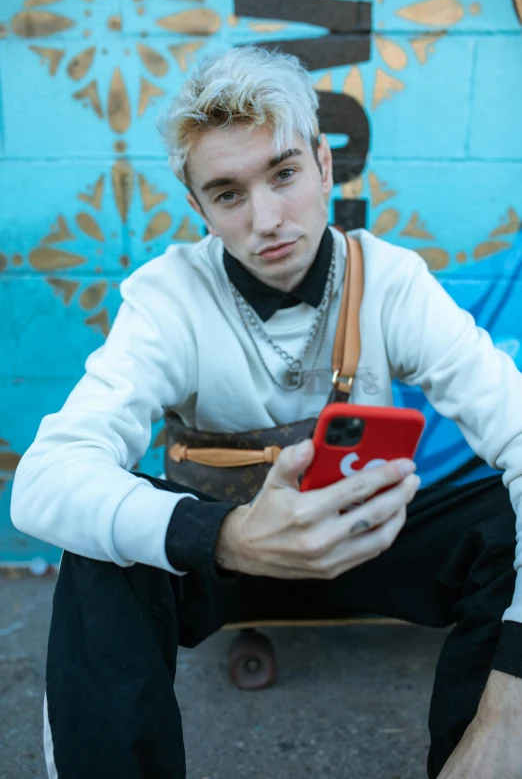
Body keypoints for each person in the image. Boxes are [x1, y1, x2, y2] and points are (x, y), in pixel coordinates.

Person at [10, 46, 522, 779]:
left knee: (503, 523)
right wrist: (228, 535)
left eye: (283, 174)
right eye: (228, 193)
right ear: (198, 208)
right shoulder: (167, 298)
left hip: (367, 545)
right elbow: (45, 479)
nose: (267, 220)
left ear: (323, 164)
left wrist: (511, 706)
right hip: (225, 560)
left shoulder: (392, 281)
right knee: (98, 548)